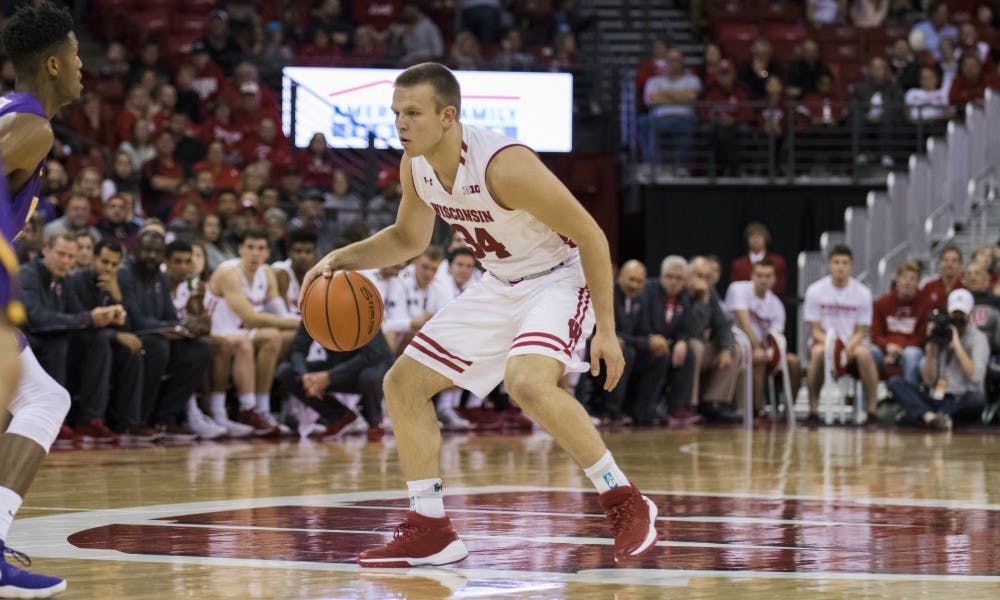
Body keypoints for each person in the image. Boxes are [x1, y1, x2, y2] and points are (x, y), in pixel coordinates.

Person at [301, 63, 656, 568]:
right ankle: (430, 528)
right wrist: (339, 258)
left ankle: (624, 499)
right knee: (402, 385)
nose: (401, 124)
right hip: (499, 282)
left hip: (557, 277)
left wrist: (608, 331)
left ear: (448, 116)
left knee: (528, 382)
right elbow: (408, 239)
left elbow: (592, 235)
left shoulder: (503, 165)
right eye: (396, 113)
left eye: (413, 113)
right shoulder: (416, 164)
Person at [0, 3, 82, 595]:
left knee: (42, 396)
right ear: (53, 64)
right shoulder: (31, 125)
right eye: (77, 55)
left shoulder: (17, 118)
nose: (84, 66)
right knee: (41, 398)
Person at [206, 229, 300, 435]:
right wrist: (300, 323)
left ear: (267, 253)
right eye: (250, 247)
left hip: (244, 332)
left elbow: (280, 313)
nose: (255, 253)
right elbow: (250, 318)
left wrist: (302, 323)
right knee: (256, 340)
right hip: (218, 332)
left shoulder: (266, 273)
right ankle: (245, 408)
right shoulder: (228, 273)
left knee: (284, 337)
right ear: (240, 249)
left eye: (260, 248)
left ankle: (266, 408)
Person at [64, 239, 145, 439]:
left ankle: (128, 422)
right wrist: (115, 334)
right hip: (75, 344)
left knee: (134, 350)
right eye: (104, 262)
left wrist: (117, 297)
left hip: (102, 344)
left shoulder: (118, 284)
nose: (108, 268)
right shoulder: (75, 281)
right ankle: (90, 419)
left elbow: (128, 326)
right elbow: (80, 322)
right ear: (93, 259)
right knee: (101, 341)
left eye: (114, 264)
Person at [887, 289, 988, 429]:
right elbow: (929, 380)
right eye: (954, 314)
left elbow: (976, 376)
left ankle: (922, 415)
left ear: (970, 314)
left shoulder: (979, 339)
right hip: (937, 397)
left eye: (962, 314)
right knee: (895, 382)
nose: (957, 319)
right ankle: (932, 417)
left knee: (977, 399)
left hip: (960, 399)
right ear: (948, 313)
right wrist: (931, 346)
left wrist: (957, 346)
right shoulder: (940, 333)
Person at [803, 244, 879, 425]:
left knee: (866, 354)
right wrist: (834, 347)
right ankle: (813, 410)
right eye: (836, 262)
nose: (840, 267)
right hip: (824, 341)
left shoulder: (862, 293)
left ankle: (872, 410)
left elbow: (861, 331)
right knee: (818, 353)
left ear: (851, 266)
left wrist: (847, 347)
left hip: (851, 343)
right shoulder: (815, 290)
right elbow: (814, 329)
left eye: (844, 263)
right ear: (829, 264)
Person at [725, 259, 802, 414]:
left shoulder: (776, 305)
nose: (763, 279)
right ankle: (755, 409)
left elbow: (776, 335)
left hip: (762, 347)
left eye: (768, 276)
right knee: (756, 358)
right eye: (759, 275)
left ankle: (787, 411)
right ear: (752, 275)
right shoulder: (738, 289)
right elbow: (744, 323)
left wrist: (770, 352)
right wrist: (756, 348)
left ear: (774, 279)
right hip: (734, 343)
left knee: (793, 362)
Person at [870, 261, 928, 386]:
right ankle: (868, 403)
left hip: (909, 350)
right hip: (885, 349)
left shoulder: (925, 304)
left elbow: (921, 337)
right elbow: (875, 334)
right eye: (904, 277)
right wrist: (887, 347)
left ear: (918, 283)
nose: (907, 282)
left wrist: (899, 349)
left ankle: (908, 401)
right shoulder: (882, 303)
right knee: (869, 352)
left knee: (911, 354)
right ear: (897, 280)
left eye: (912, 279)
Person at [729, 222, 787, 297]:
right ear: (747, 240)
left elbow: (780, 288)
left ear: (766, 239)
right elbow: (735, 289)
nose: (755, 239)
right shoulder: (738, 264)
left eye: (759, 235)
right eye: (752, 236)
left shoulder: (778, 262)